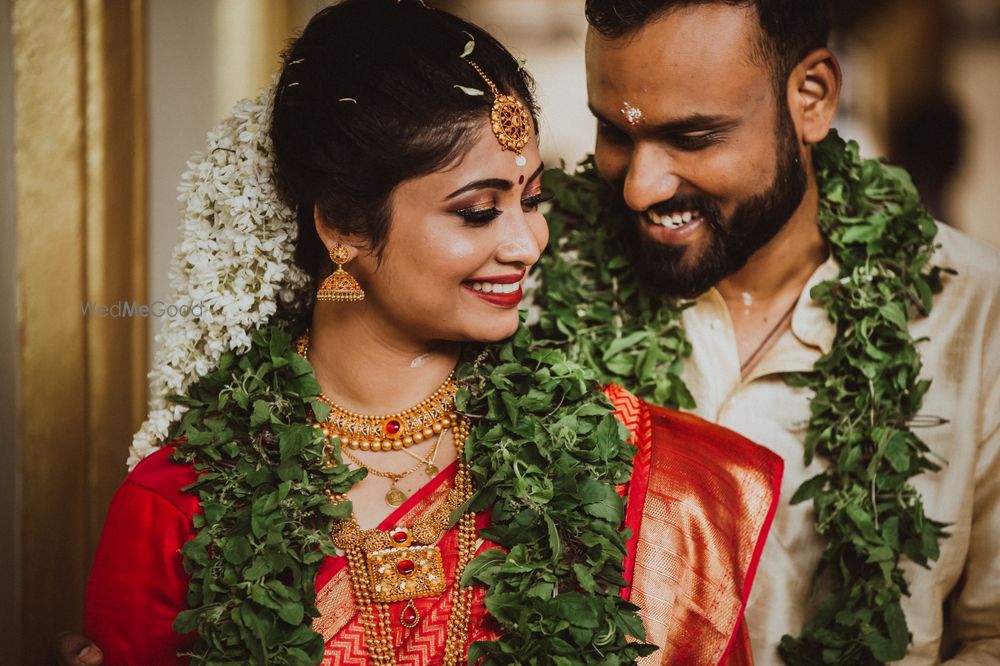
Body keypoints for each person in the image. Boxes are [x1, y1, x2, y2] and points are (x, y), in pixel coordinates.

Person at [77, 1, 781, 665]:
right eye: (478, 212)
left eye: (531, 200)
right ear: (344, 226)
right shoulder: (180, 506)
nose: (526, 242)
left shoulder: (620, 460)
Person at [534, 0, 1000, 664]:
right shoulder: (533, 284)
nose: (641, 188)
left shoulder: (975, 310)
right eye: (615, 132)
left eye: (692, 138)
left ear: (812, 97)